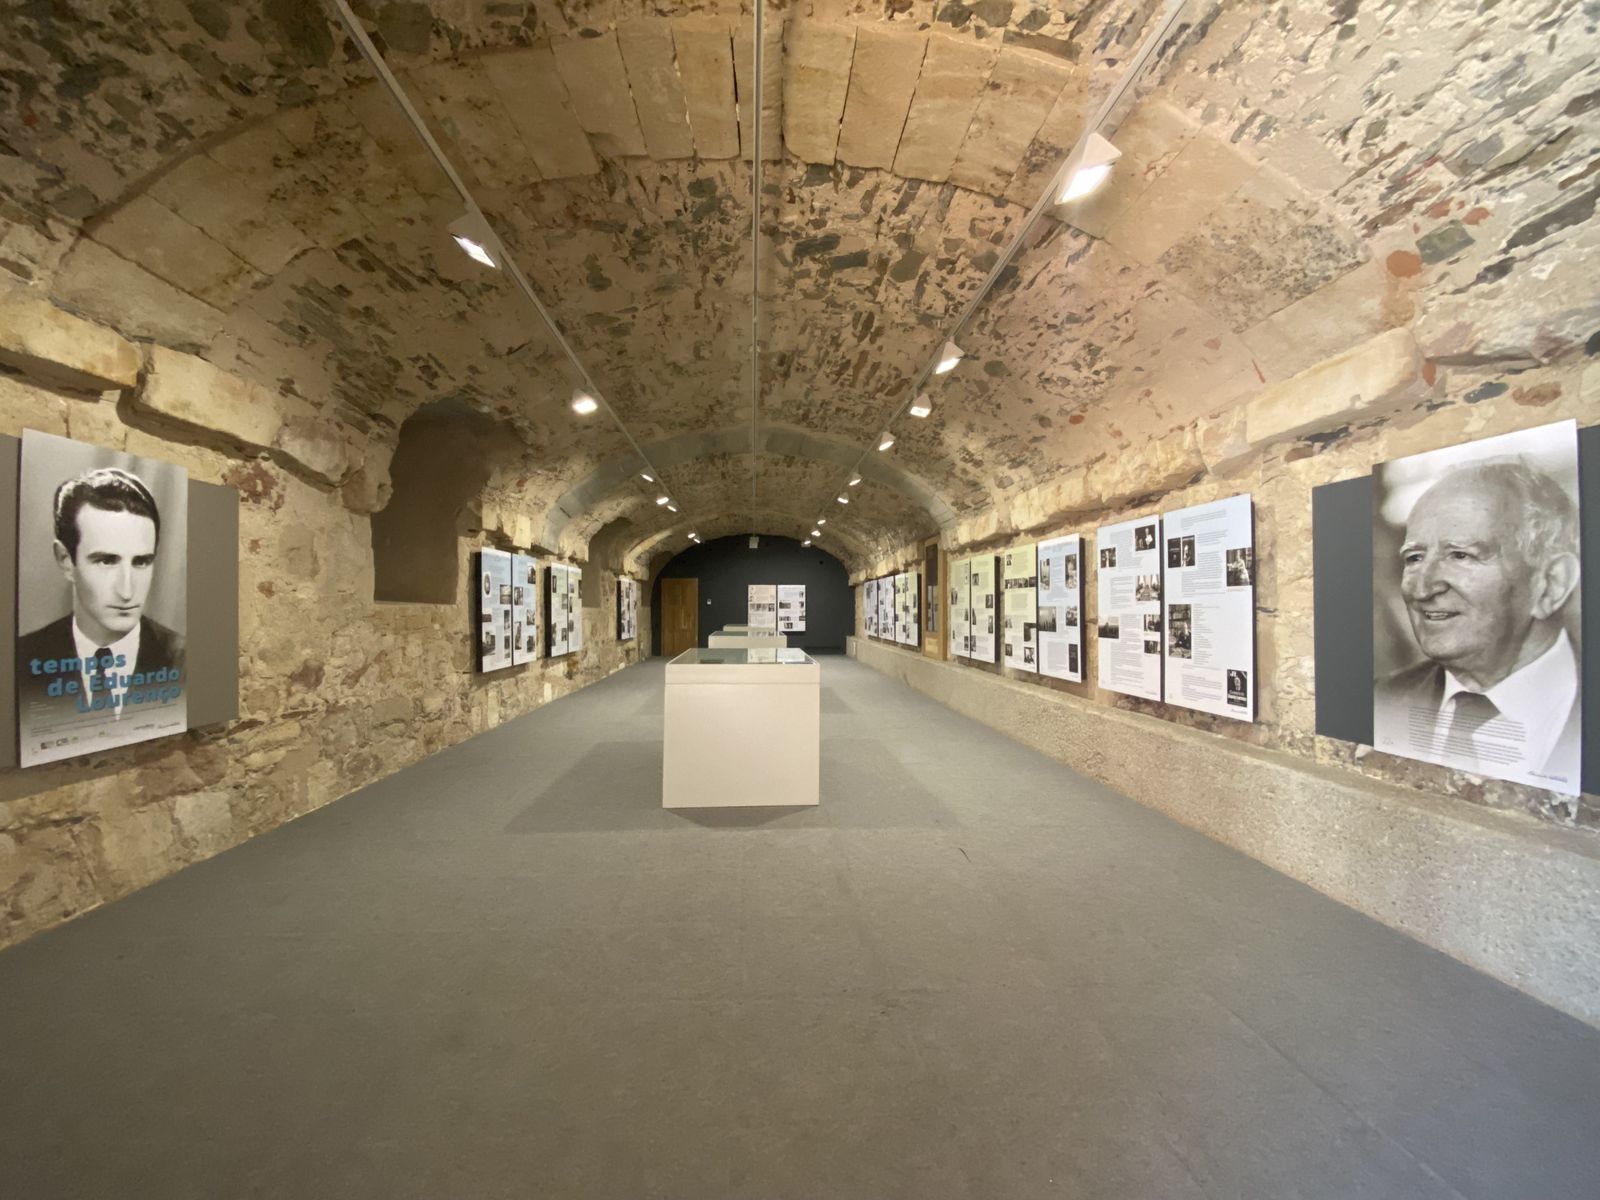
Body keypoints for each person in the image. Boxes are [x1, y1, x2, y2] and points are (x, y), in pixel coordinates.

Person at [1375, 459, 1580, 781]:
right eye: (1414, 558)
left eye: (1461, 555)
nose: (1422, 588)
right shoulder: (1379, 700)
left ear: (1551, 584)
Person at [17, 467, 185, 724]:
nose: (127, 591)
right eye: (106, 561)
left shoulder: (185, 660)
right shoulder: (22, 657)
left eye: (141, 562)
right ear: (65, 560)